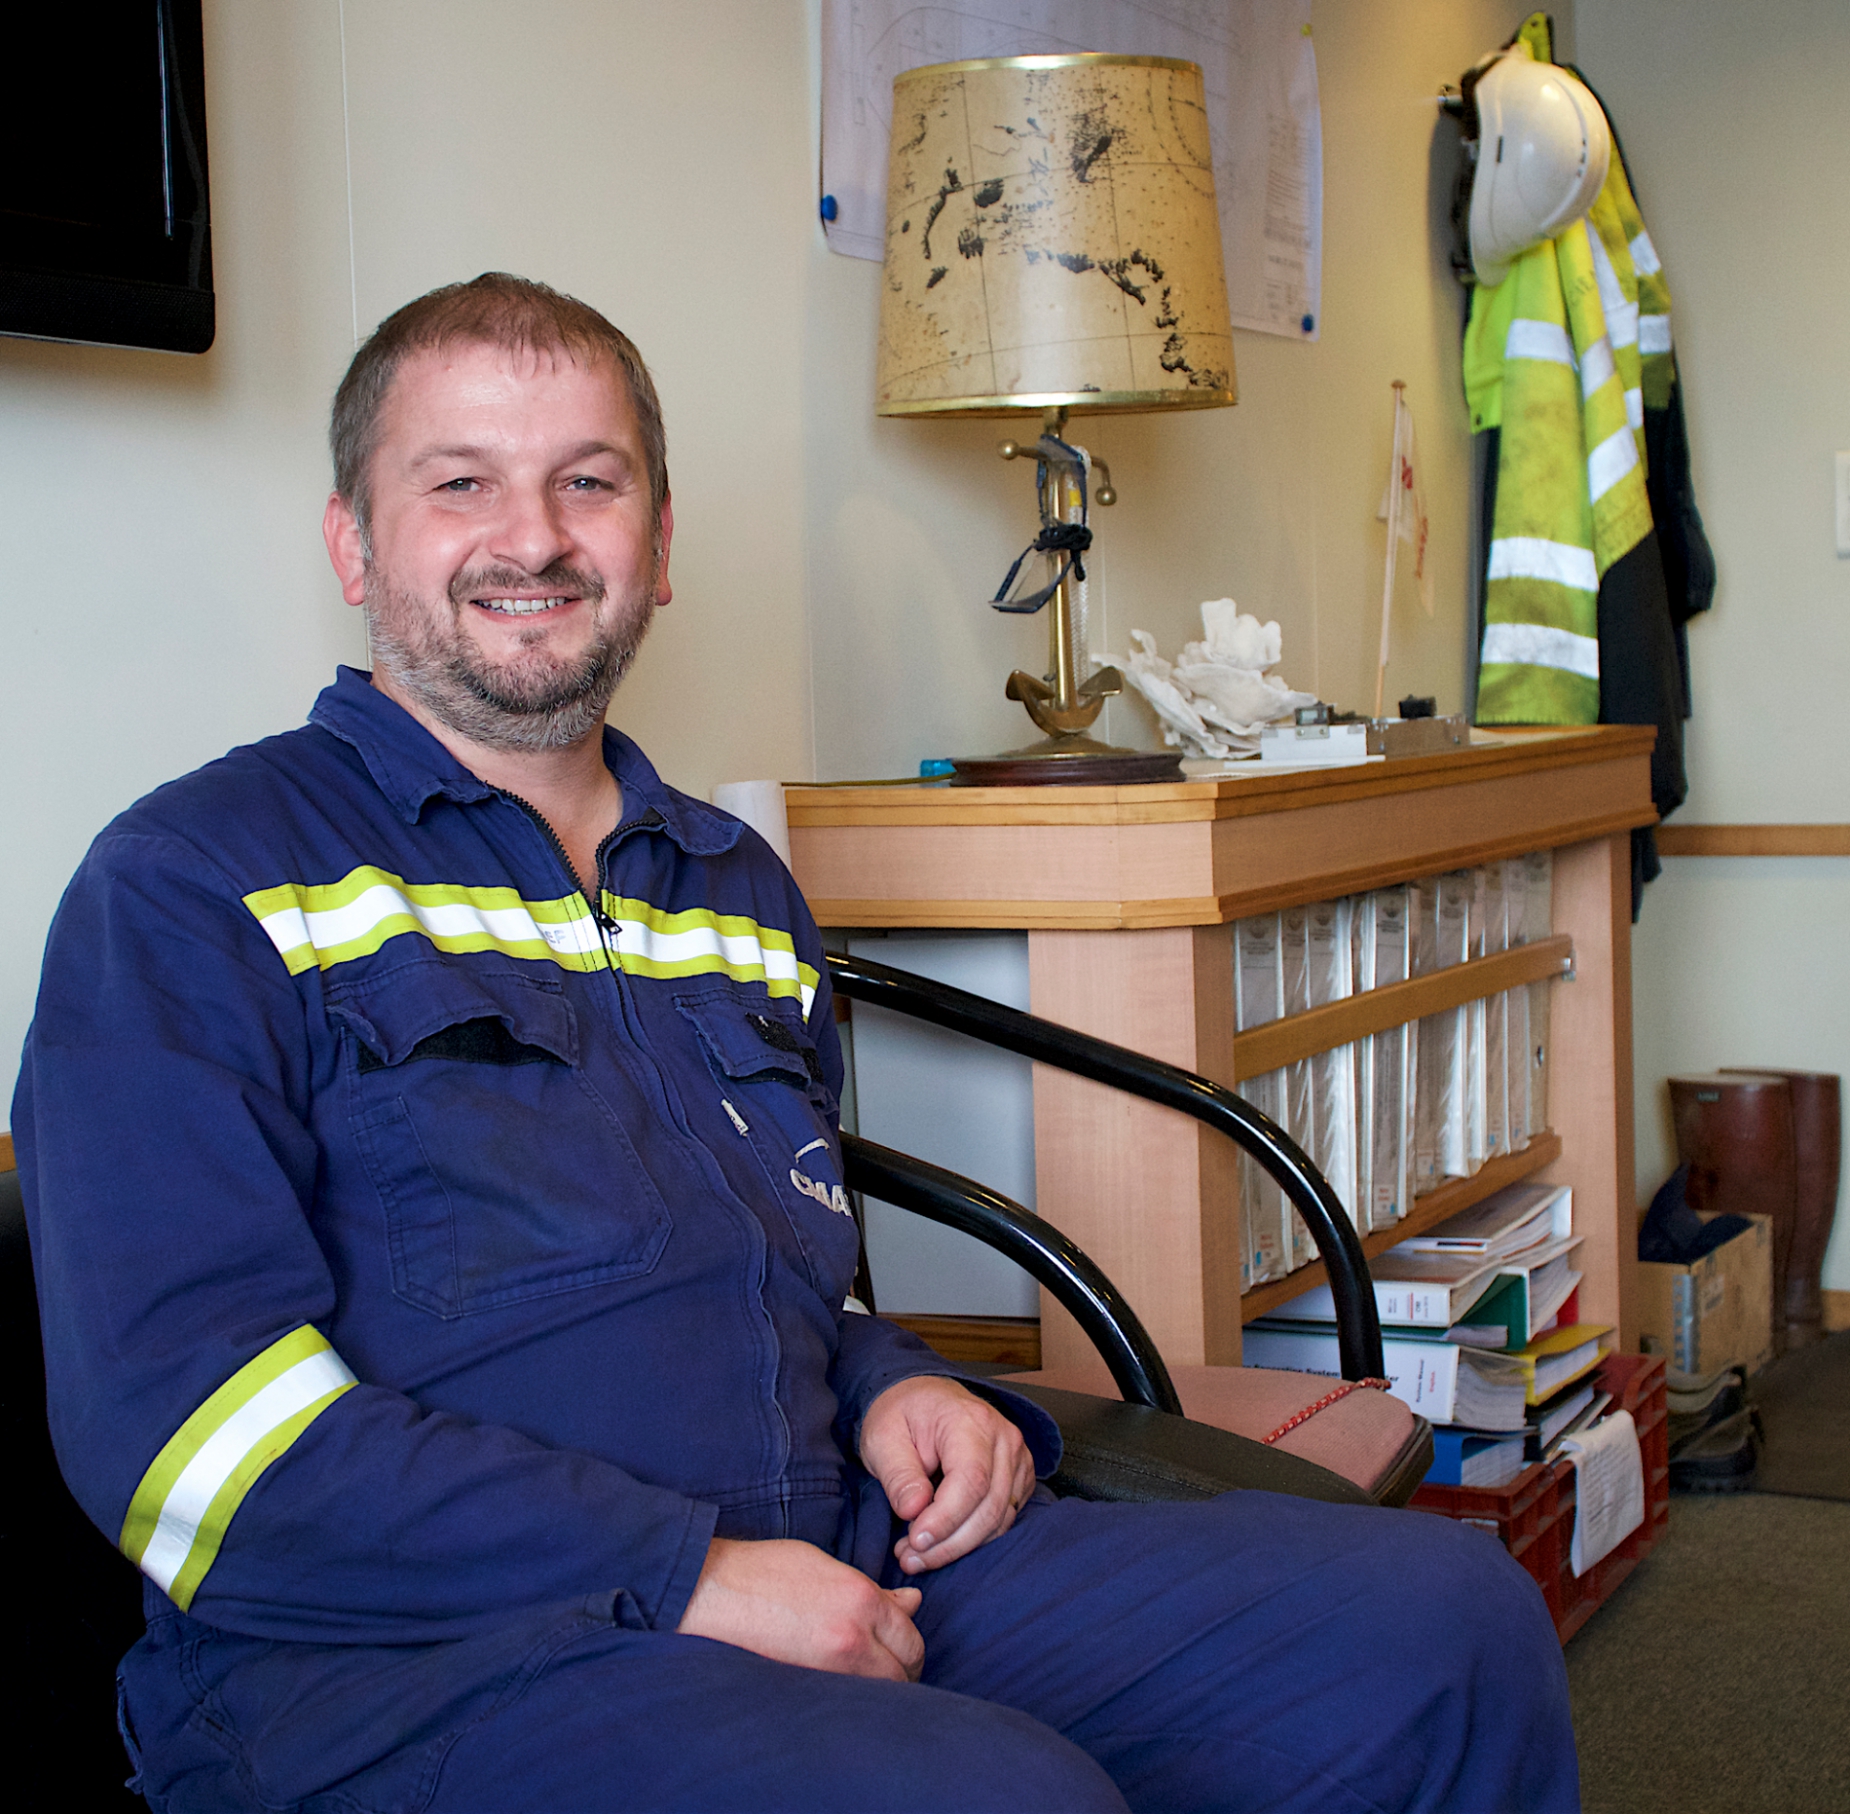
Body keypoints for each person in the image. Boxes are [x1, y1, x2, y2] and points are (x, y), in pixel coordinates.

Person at [14, 274, 1578, 1813]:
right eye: (461, 483)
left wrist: (899, 1381)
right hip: (400, 1669)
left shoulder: (734, 888)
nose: (535, 535)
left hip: (831, 1552)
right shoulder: (191, 883)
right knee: (992, 1794)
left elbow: (781, 1276)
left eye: (589, 481)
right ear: (355, 541)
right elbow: (189, 1443)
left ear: (659, 545)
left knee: (1442, 1621)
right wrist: (679, 1575)